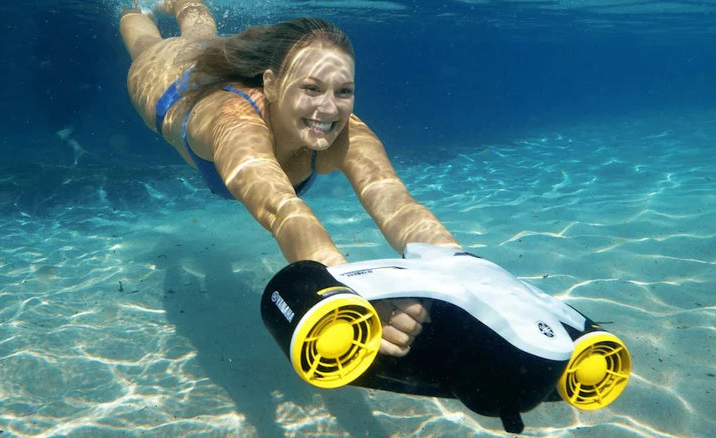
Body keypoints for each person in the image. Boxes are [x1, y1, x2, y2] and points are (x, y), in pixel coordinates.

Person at [119, 0, 461, 357]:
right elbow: (284, 210)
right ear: (271, 84)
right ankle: (137, 7)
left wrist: (456, 263)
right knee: (150, 45)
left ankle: (186, 4)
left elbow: (397, 202)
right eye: (311, 89)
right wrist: (349, 293)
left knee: (203, 41)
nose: (329, 110)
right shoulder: (236, 123)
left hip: (214, 75)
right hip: (168, 85)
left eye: (343, 91)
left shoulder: (345, 132)